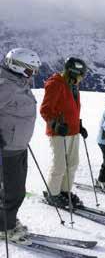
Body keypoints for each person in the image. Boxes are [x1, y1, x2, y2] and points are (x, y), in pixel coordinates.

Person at [0, 48, 41, 241]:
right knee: (11, 192)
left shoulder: (20, 83)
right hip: (7, 148)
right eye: (30, 69)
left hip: (19, 145)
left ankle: (7, 221)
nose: (33, 73)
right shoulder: (5, 86)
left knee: (16, 191)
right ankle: (3, 228)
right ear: (18, 66)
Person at [40, 57, 88, 208]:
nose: (82, 78)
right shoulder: (55, 84)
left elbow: (72, 109)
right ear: (73, 72)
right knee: (59, 165)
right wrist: (55, 124)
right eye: (81, 74)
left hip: (72, 131)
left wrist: (78, 126)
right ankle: (52, 194)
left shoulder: (73, 85)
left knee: (72, 163)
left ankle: (64, 191)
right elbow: (45, 110)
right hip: (59, 131)